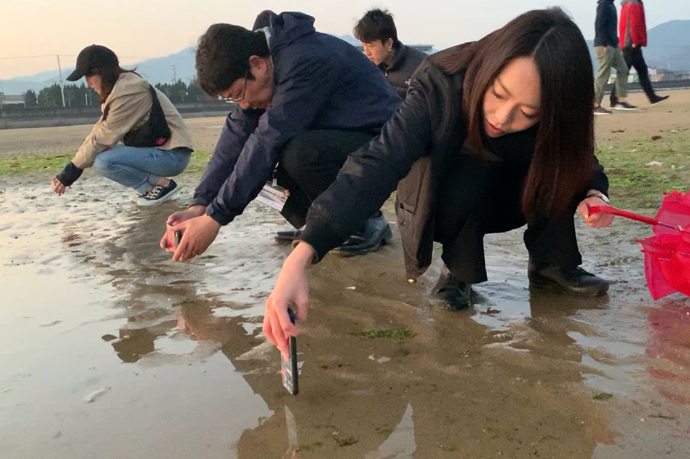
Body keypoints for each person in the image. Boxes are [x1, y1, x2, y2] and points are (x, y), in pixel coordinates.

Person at [263, 8, 617, 355]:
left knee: (561, 168)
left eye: (528, 113)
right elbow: (377, 162)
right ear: (488, 67)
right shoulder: (440, 81)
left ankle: (552, 263)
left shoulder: (561, 109)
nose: (502, 116)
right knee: (466, 172)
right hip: (451, 192)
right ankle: (457, 270)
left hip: (513, 188)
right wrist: (304, 252)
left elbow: (579, 154)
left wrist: (593, 191)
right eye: (498, 94)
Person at [160, 11, 401, 261]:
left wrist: (215, 219)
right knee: (262, 169)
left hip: (386, 141)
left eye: (238, 93)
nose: (242, 104)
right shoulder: (262, 69)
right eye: (233, 99)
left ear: (257, 64)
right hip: (341, 138)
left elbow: (267, 141)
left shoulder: (304, 60)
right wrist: (200, 207)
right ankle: (316, 225)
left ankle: (367, 222)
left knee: (296, 153)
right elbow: (235, 138)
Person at [51, 45, 193, 206]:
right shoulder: (121, 89)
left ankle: (161, 186)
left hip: (173, 156)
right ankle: (150, 190)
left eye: (89, 75)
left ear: (103, 72)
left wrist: (70, 173)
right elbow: (97, 132)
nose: (88, 83)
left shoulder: (129, 91)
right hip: (161, 152)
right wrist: (71, 168)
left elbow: (101, 138)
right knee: (101, 155)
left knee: (103, 161)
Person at [354, 8, 428, 100]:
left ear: (389, 43)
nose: (367, 52)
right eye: (363, 46)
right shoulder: (370, 68)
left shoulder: (421, 68)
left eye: (370, 46)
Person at [609, 0, 669, 107]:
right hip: (632, 44)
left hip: (627, 43)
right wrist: (635, 41)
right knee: (627, 71)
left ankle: (652, 97)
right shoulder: (634, 4)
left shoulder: (626, 5)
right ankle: (615, 99)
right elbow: (634, 23)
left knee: (639, 71)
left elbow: (624, 25)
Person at [593, 0, 636, 115]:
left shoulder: (610, 5)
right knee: (603, 75)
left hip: (613, 45)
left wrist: (616, 42)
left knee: (623, 70)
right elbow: (599, 25)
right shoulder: (604, 5)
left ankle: (620, 101)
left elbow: (610, 28)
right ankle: (595, 105)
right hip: (604, 46)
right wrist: (604, 43)